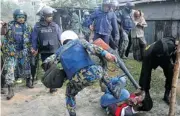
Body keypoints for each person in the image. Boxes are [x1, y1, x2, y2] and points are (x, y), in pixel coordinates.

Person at [42, 30, 125, 116]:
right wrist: (105, 53)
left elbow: (47, 62)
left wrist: (49, 69)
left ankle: (72, 113)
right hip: (92, 73)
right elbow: (93, 48)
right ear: (74, 37)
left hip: (76, 80)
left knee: (69, 94)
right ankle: (114, 91)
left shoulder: (59, 51)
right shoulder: (80, 41)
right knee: (100, 70)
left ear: (62, 41)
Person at [138, 37, 178, 111]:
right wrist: (144, 89)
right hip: (151, 56)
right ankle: (145, 95)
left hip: (164, 56)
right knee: (145, 77)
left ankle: (166, 95)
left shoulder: (172, 44)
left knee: (170, 74)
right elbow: (145, 75)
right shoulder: (148, 53)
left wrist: (174, 65)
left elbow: (174, 57)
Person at [2, 9, 34, 100]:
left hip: (24, 51)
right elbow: (3, 33)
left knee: (27, 67)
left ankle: (28, 82)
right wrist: (3, 27)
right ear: (15, 17)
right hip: (12, 51)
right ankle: (10, 90)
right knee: (10, 69)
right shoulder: (10, 25)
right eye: (19, 17)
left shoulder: (28, 26)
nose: (21, 19)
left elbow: (31, 38)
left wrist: (32, 48)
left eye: (23, 17)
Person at [31, 6, 62, 93]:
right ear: (43, 16)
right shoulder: (37, 26)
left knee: (54, 67)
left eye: (51, 15)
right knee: (46, 67)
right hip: (44, 51)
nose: (50, 17)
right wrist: (34, 48)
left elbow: (60, 37)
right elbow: (34, 39)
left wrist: (63, 46)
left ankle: (52, 86)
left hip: (54, 50)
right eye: (48, 16)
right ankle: (50, 83)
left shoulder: (55, 26)